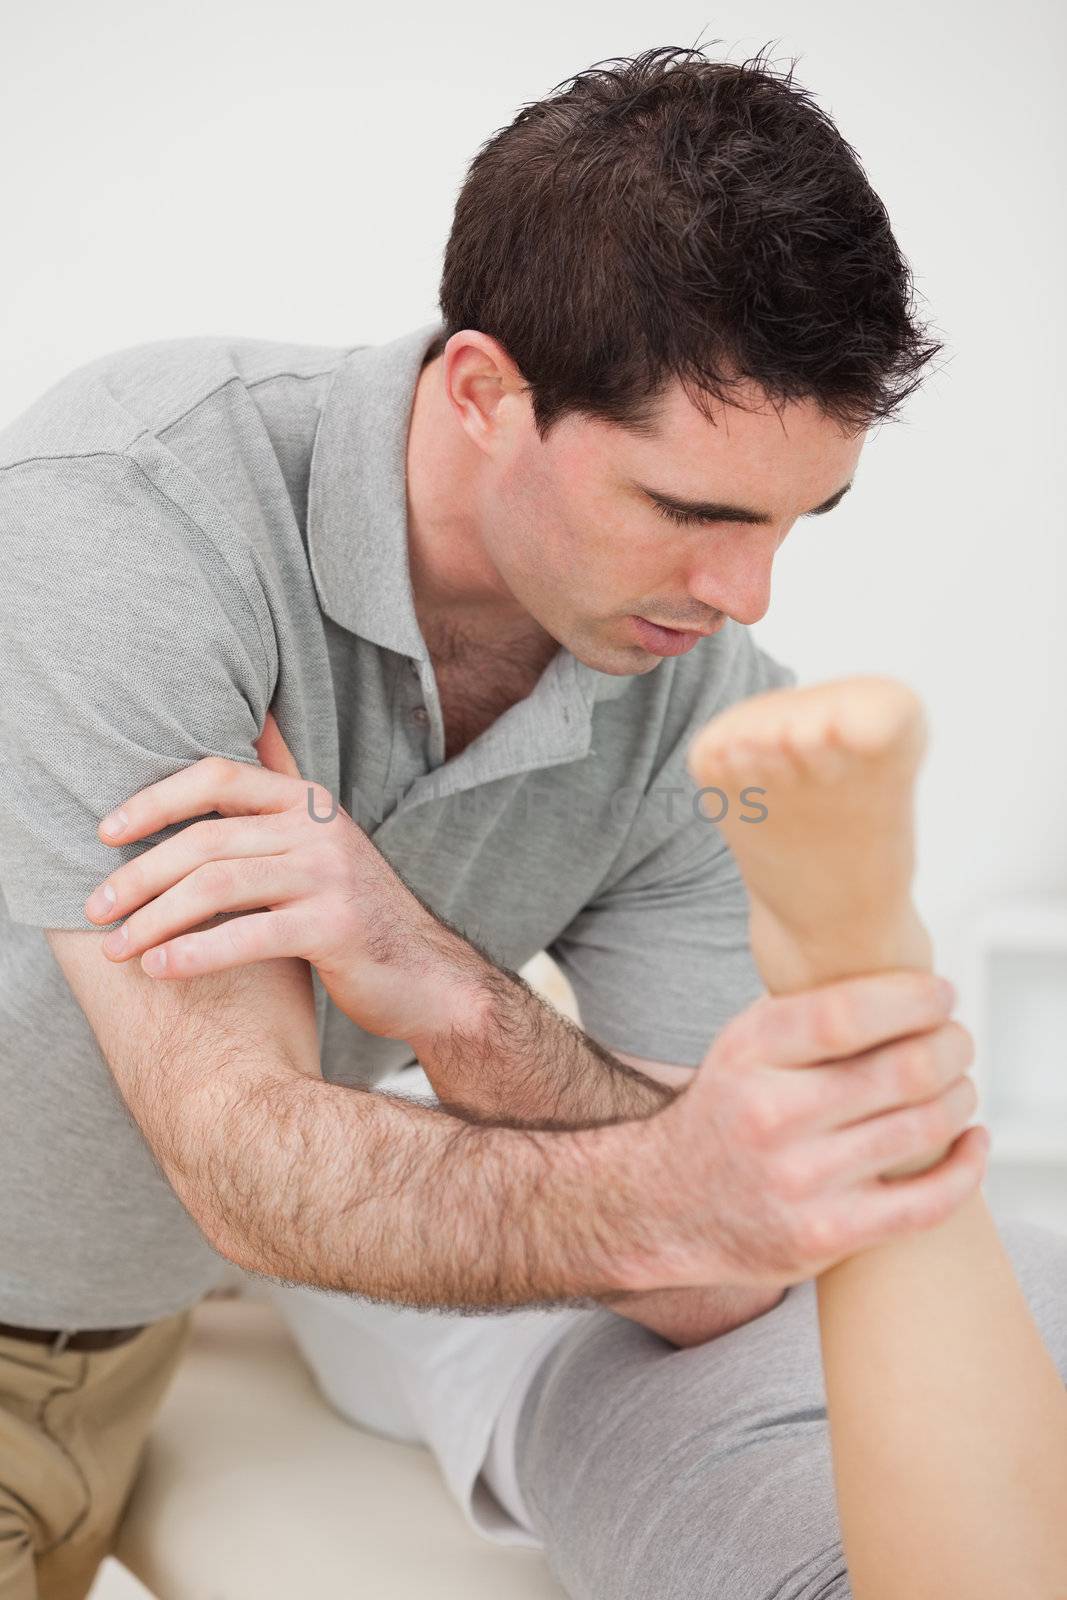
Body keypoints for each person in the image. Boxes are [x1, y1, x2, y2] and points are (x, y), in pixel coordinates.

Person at [0, 42, 1062, 1599]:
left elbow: (727, 1277)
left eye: (793, 521)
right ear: (487, 392)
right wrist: (685, 1183)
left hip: (127, 1337)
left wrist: (439, 984)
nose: (747, 596)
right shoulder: (141, 517)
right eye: (692, 513)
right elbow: (246, 1158)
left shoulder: (700, 716)